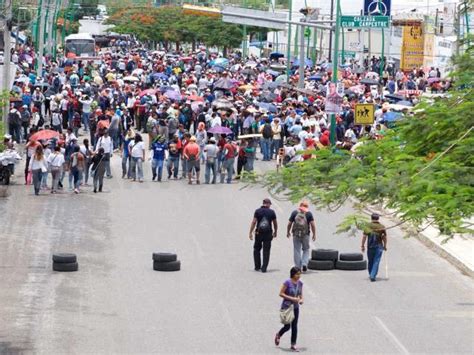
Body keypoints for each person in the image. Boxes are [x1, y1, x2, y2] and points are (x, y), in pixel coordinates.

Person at [275, 266, 304, 352]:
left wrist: (301, 300)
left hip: (295, 307)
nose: (299, 276)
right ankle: (278, 334)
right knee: (287, 326)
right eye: (297, 274)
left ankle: (293, 344)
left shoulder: (300, 283)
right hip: (287, 307)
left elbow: (301, 295)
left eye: (300, 274)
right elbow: (281, 293)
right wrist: (292, 299)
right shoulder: (287, 282)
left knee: (295, 326)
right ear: (293, 274)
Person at [248, 198, 277, 273]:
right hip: (268, 234)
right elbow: (275, 223)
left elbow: (254, 222)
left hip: (259, 233)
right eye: (270, 204)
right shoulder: (272, 212)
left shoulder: (257, 211)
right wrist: (275, 232)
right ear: (268, 204)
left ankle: (257, 266)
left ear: (263, 203)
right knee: (266, 251)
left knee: (256, 249)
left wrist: (250, 232)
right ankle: (264, 268)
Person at [287, 201, 317, 272]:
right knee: (306, 249)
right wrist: (314, 234)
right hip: (305, 235)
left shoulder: (294, 213)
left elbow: (289, 223)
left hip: (296, 234)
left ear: (300, 206)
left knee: (297, 250)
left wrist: (288, 232)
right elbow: (312, 225)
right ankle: (304, 263)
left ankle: (297, 267)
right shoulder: (309, 214)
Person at [361, 213, 387, 282]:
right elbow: (384, 237)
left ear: (371, 218)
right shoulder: (382, 226)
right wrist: (385, 246)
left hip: (370, 246)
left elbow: (364, 237)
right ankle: (373, 275)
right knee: (376, 261)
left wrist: (362, 245)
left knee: (371, 261)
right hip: (379, 246)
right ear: (378, 218)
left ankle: (371, 274)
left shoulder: (368, 226)